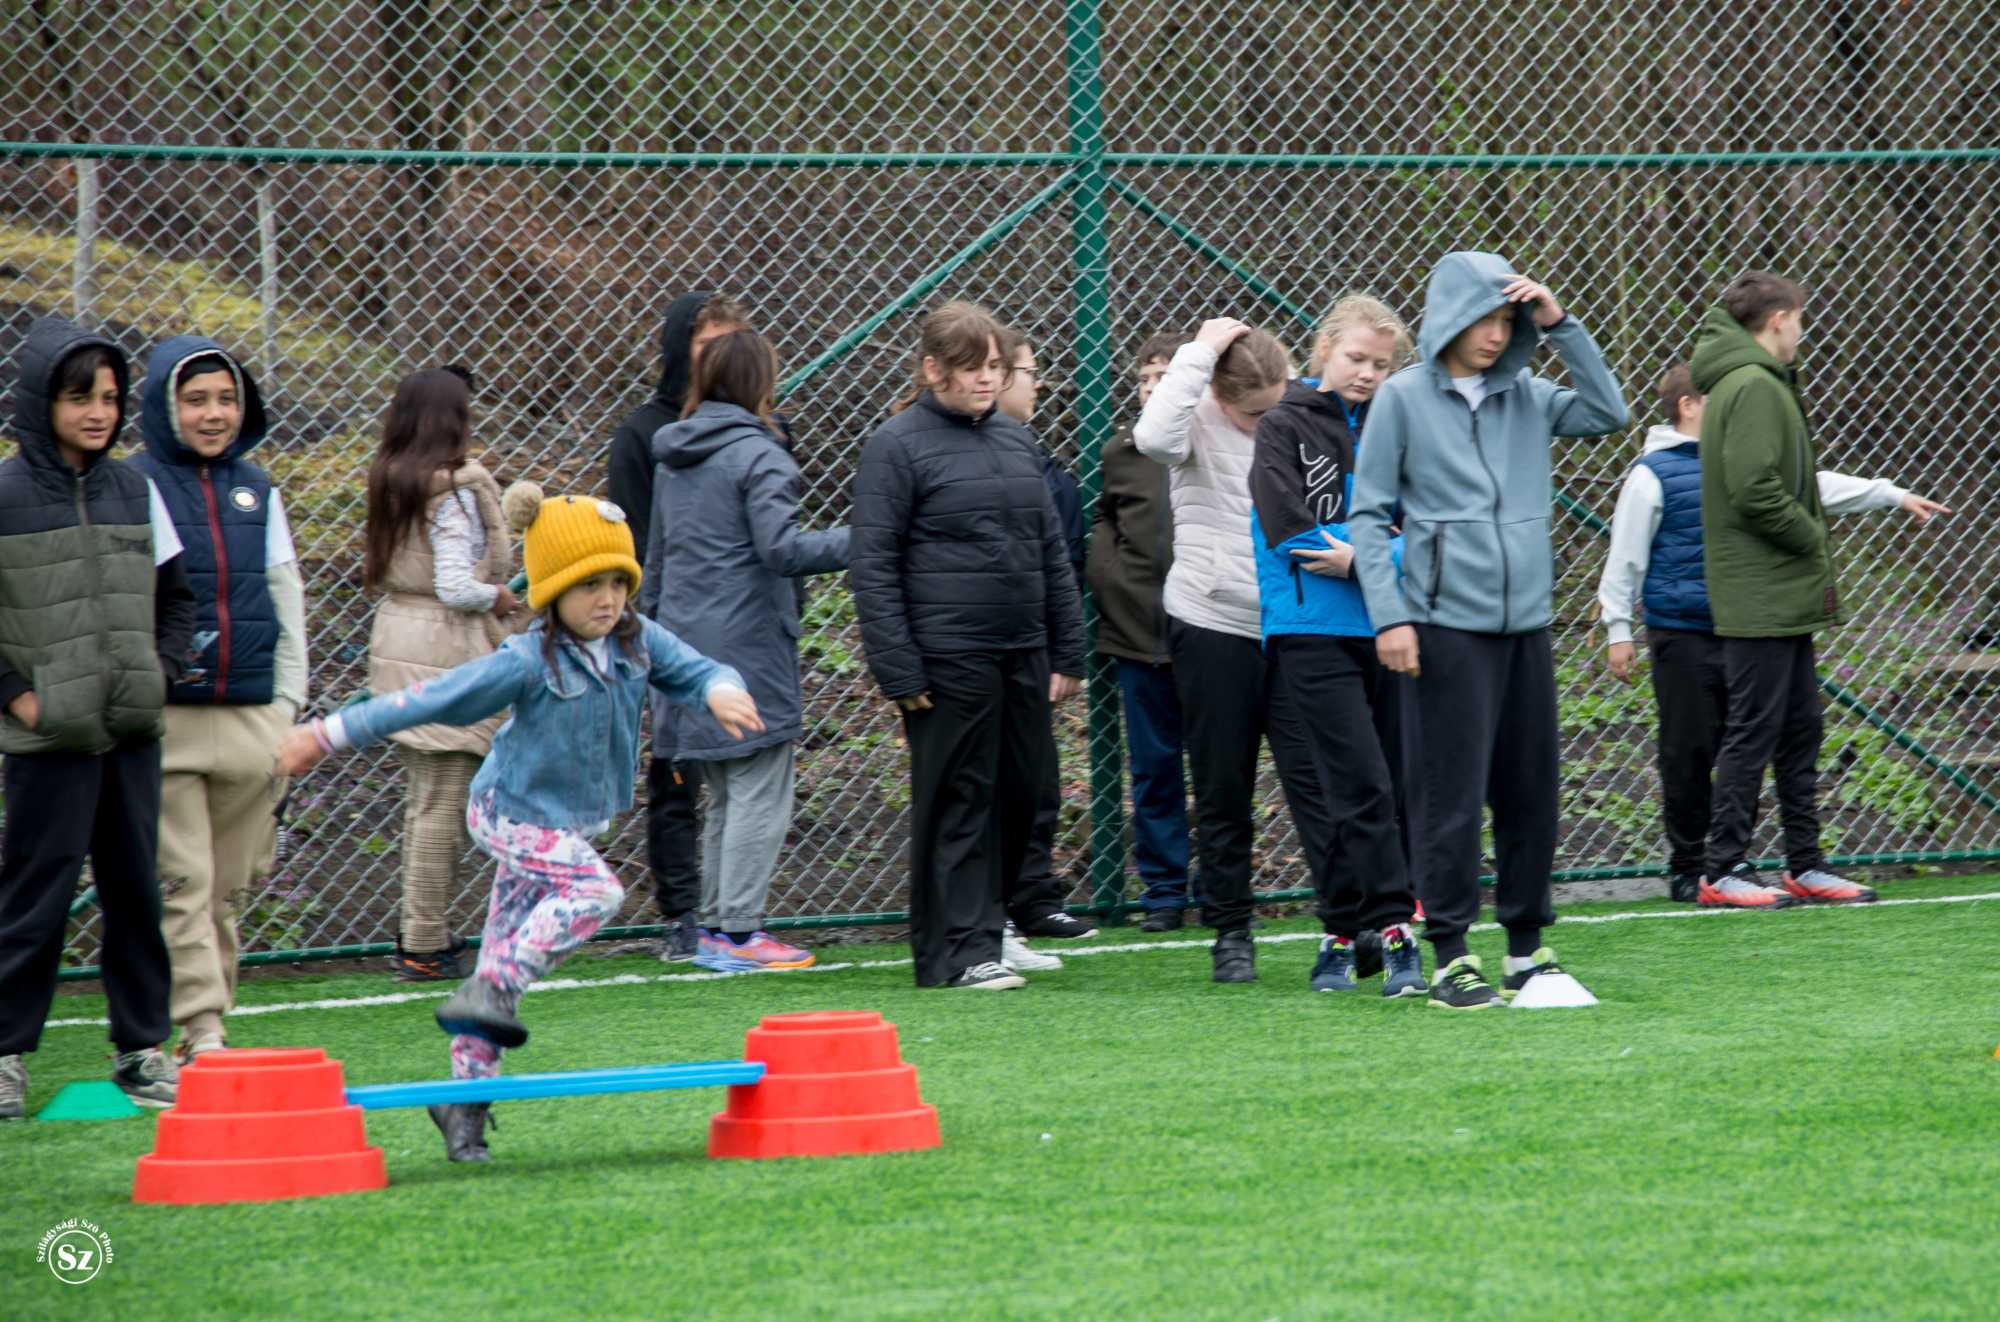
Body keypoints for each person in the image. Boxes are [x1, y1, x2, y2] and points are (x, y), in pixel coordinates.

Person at [279, 485, 759, 1161]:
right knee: (594, 894)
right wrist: (326, 734)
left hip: (567, 826)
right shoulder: (526, 660)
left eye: (617, 583)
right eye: (589, 585)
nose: (607, 599)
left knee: (506, 956)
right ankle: (491, 983)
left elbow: (697, 669)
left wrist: (721, 689)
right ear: (553, 592)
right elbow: (427, 699)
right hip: (508, 814)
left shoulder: (637, 642)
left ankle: (462, 1101)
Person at [1351, 252, 1629, 1010]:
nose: (1496, 333)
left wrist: (1559, 323)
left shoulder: (1530, 396)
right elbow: (1369, 518)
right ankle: (1450, 956)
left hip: (1525, 628)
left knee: (1530, 791)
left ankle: (1527, 949)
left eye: (1507, 320)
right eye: (1484, 318)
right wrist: (1392, 616)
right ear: (1448, 318)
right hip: (1442, 628)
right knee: (1449, 796)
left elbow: (1610, 413)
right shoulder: (1402, 399)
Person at [1599, 362, 1948, 905]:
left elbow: (1813, 487)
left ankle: (1802, 863)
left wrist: (1888, 494)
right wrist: (1618, 627)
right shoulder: (1652, 473)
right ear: (1689, 406)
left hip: (1753, 626)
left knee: (1791, 734)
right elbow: (1625, 555)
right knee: (1690, 751)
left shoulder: (1747, 458)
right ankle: (1692, 866)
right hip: (1683, 633)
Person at [1690, 273, 1952, 908]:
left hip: (1779, 595)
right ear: (1779, 319)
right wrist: (1811, 536)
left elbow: (1788, 478)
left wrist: (1871, 498)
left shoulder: (1757, 382)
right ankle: (1723, 868)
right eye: (1800, 319)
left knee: (1800, 727)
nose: (1804, 332)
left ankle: (1806, 864)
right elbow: (1755, 489)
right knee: (1753, 730)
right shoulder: (1752, 385)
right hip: (1761, 594)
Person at [848, 301, 1087, 991]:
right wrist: (898, 665)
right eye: (973, 368)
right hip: (947, 656)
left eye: (995, 368)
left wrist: (1067, 650)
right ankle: (955, 950)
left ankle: (992, 930)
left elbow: (1049, 551)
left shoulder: (1016, 443)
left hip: (1023, 651)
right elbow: (875, 563)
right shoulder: (896, 445)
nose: (988, 380)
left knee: (1024, 793)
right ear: (933, 369)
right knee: (959, 798)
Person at [0, 317, 196, 1117]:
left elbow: (178, 603)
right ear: (42, 400)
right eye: (80, 396)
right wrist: (20, 695)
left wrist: (158, 675)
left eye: (111, 398)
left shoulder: (135, 489)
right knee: (34, 898)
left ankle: (141, 1049)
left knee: (134, 892)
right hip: (49, 740)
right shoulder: (5, 496)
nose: (98, 412)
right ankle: (6, 1056)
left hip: (130, 733)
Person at [640, 329, 847, 971]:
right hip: (750, 644)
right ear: (763, 382)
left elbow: (658, 562)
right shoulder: (761, 457)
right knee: (759, 786)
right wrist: (869, 536)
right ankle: (739, 933)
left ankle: (719, 932)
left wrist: (655, 647)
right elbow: (782, 549)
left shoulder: (674, 456)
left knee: (727, 792)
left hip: (684, 646)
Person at [1135, 317, 1330, 983]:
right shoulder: (1190, 418)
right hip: (1212, 624)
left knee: (1318, 780)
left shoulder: (1300, 415)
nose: (1266, 424)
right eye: (1253, 413)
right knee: (1223, 787)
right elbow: (1149, 437)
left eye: (1276, 407)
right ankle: (1231, 932)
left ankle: (1347, 921)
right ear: (1220, 396)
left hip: (1295, 624)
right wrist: (1198, 353)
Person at [128, 337, 307, 1058]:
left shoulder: (257, 491)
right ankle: (203, 1029)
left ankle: (205, 1024)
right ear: (164, 406)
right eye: (195, 399)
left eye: (226, 399)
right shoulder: (131, 486)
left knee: (227, 885)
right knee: (184, 881)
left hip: (251, 716)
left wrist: (286, 706)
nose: (213, 414)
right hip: (167, 719)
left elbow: (285, 599)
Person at [1248, 296, 1426, 998]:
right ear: (1323, 349)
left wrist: (1366, 562)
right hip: (1310, 633)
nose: (1367, 374)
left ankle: (1338, 932)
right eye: (1356, 358)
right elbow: (1287, 527)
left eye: (1382, 365)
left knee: (1390, 784)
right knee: (1355, 784)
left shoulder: (1398, 428)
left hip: (1389, 627)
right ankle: (1393, 929)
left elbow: (1431, 530)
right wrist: (1375, 553)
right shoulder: (1283, 425)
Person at [608, 291, 751, 962]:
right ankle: (684, 914)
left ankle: (737, 913)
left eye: (729, 345)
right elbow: (639, 546)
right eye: (703, 347)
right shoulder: (643, 434)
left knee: (746, 776)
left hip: (746, 627)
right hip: (670, 629)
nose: (716, 360)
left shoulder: (760, 433)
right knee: (676, 775)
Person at [363, 368, 520, 981]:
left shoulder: (395, 478)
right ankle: (424, 944)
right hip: (442, 650)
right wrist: (499, 599)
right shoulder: (450, 490)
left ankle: (420, 932)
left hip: (401, 641)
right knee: (442, 804)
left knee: (424, 800)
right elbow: (456, 584)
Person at [991, 325, 1095, 977]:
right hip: (984, 648)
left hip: (1031, 646)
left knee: (1033, 783)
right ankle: (987, 917)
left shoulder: (1037, 460)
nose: (1037, 385)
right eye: (1029, 372)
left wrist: (1064, 651)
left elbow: (1063, 564)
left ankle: (1026, 901)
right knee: (990, 786)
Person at [1086, 333, 1198, 933]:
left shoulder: (1213, 443)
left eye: (1165, 376)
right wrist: (1108, 577)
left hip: (1209, 634)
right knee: (1154, 768)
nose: (1152, 389)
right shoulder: (1122, 453)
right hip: (1138, 637)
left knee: (1216, 765)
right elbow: (1105, 514)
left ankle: (1220, 881)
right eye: (1144, 379)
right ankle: (1164, 891)